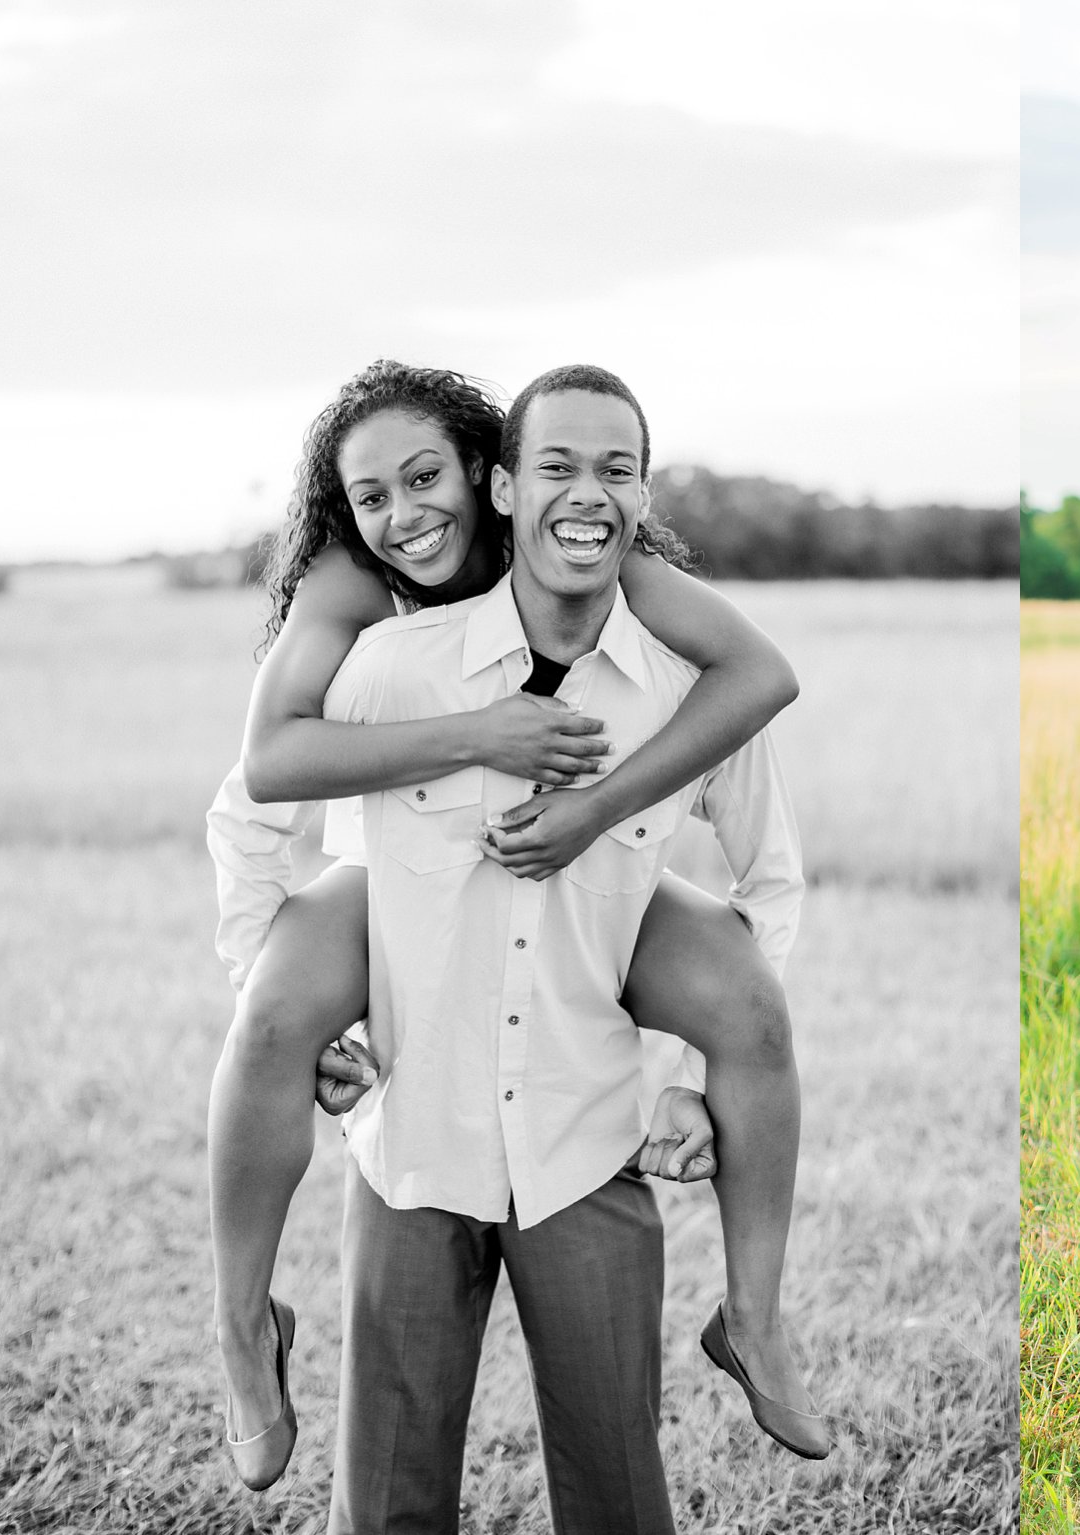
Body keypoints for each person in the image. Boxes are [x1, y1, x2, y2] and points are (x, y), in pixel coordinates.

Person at [204, 362, 825, 1493]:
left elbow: (761, 695)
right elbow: (259, 779)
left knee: (748, 1004)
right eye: (373, 495)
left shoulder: (631, 591)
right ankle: (245, 1331)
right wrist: (479, 733)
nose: (406, 514)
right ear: (509, 479)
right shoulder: (364, 619)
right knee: (268, 1020)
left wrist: (596, 807)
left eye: (424, 475)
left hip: (582, 1081)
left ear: (479, 474)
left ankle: (757, 1314)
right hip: (402, 945)